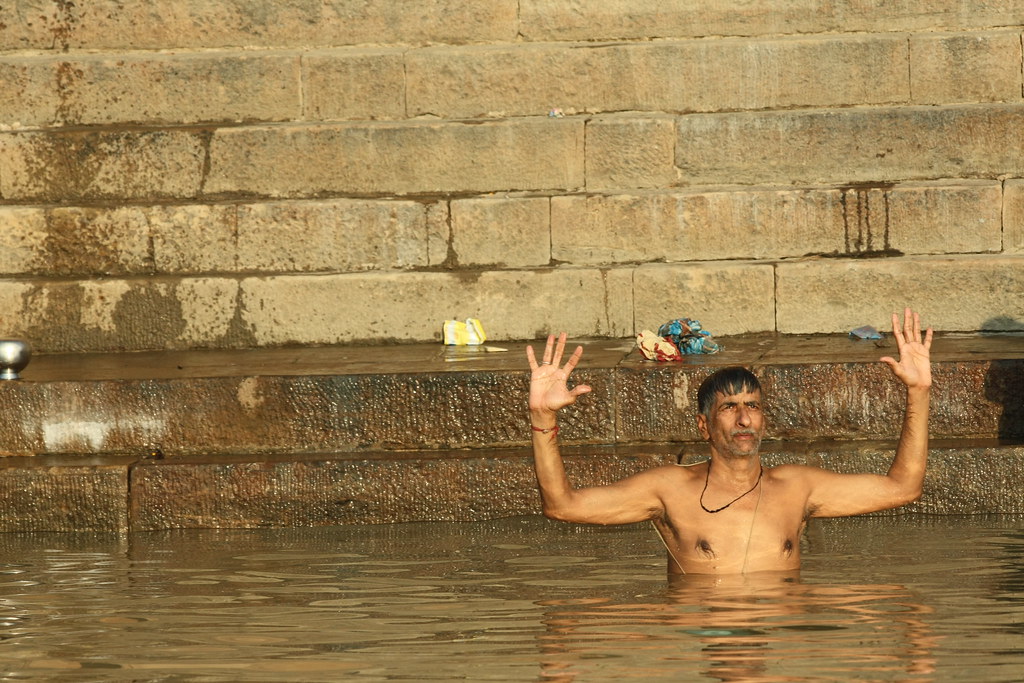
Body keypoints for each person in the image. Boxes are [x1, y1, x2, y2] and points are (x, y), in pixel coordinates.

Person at [526, 308, 932, 574]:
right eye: (729, 408)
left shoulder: (798, 488)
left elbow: (903, 488)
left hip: (779, 641)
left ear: (763, 419)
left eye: (752, 406)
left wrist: (919, 392)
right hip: (705, 635)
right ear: (704, 427)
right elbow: (562, 507)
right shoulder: (668, 490)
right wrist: (542, 417)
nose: (743, 418)